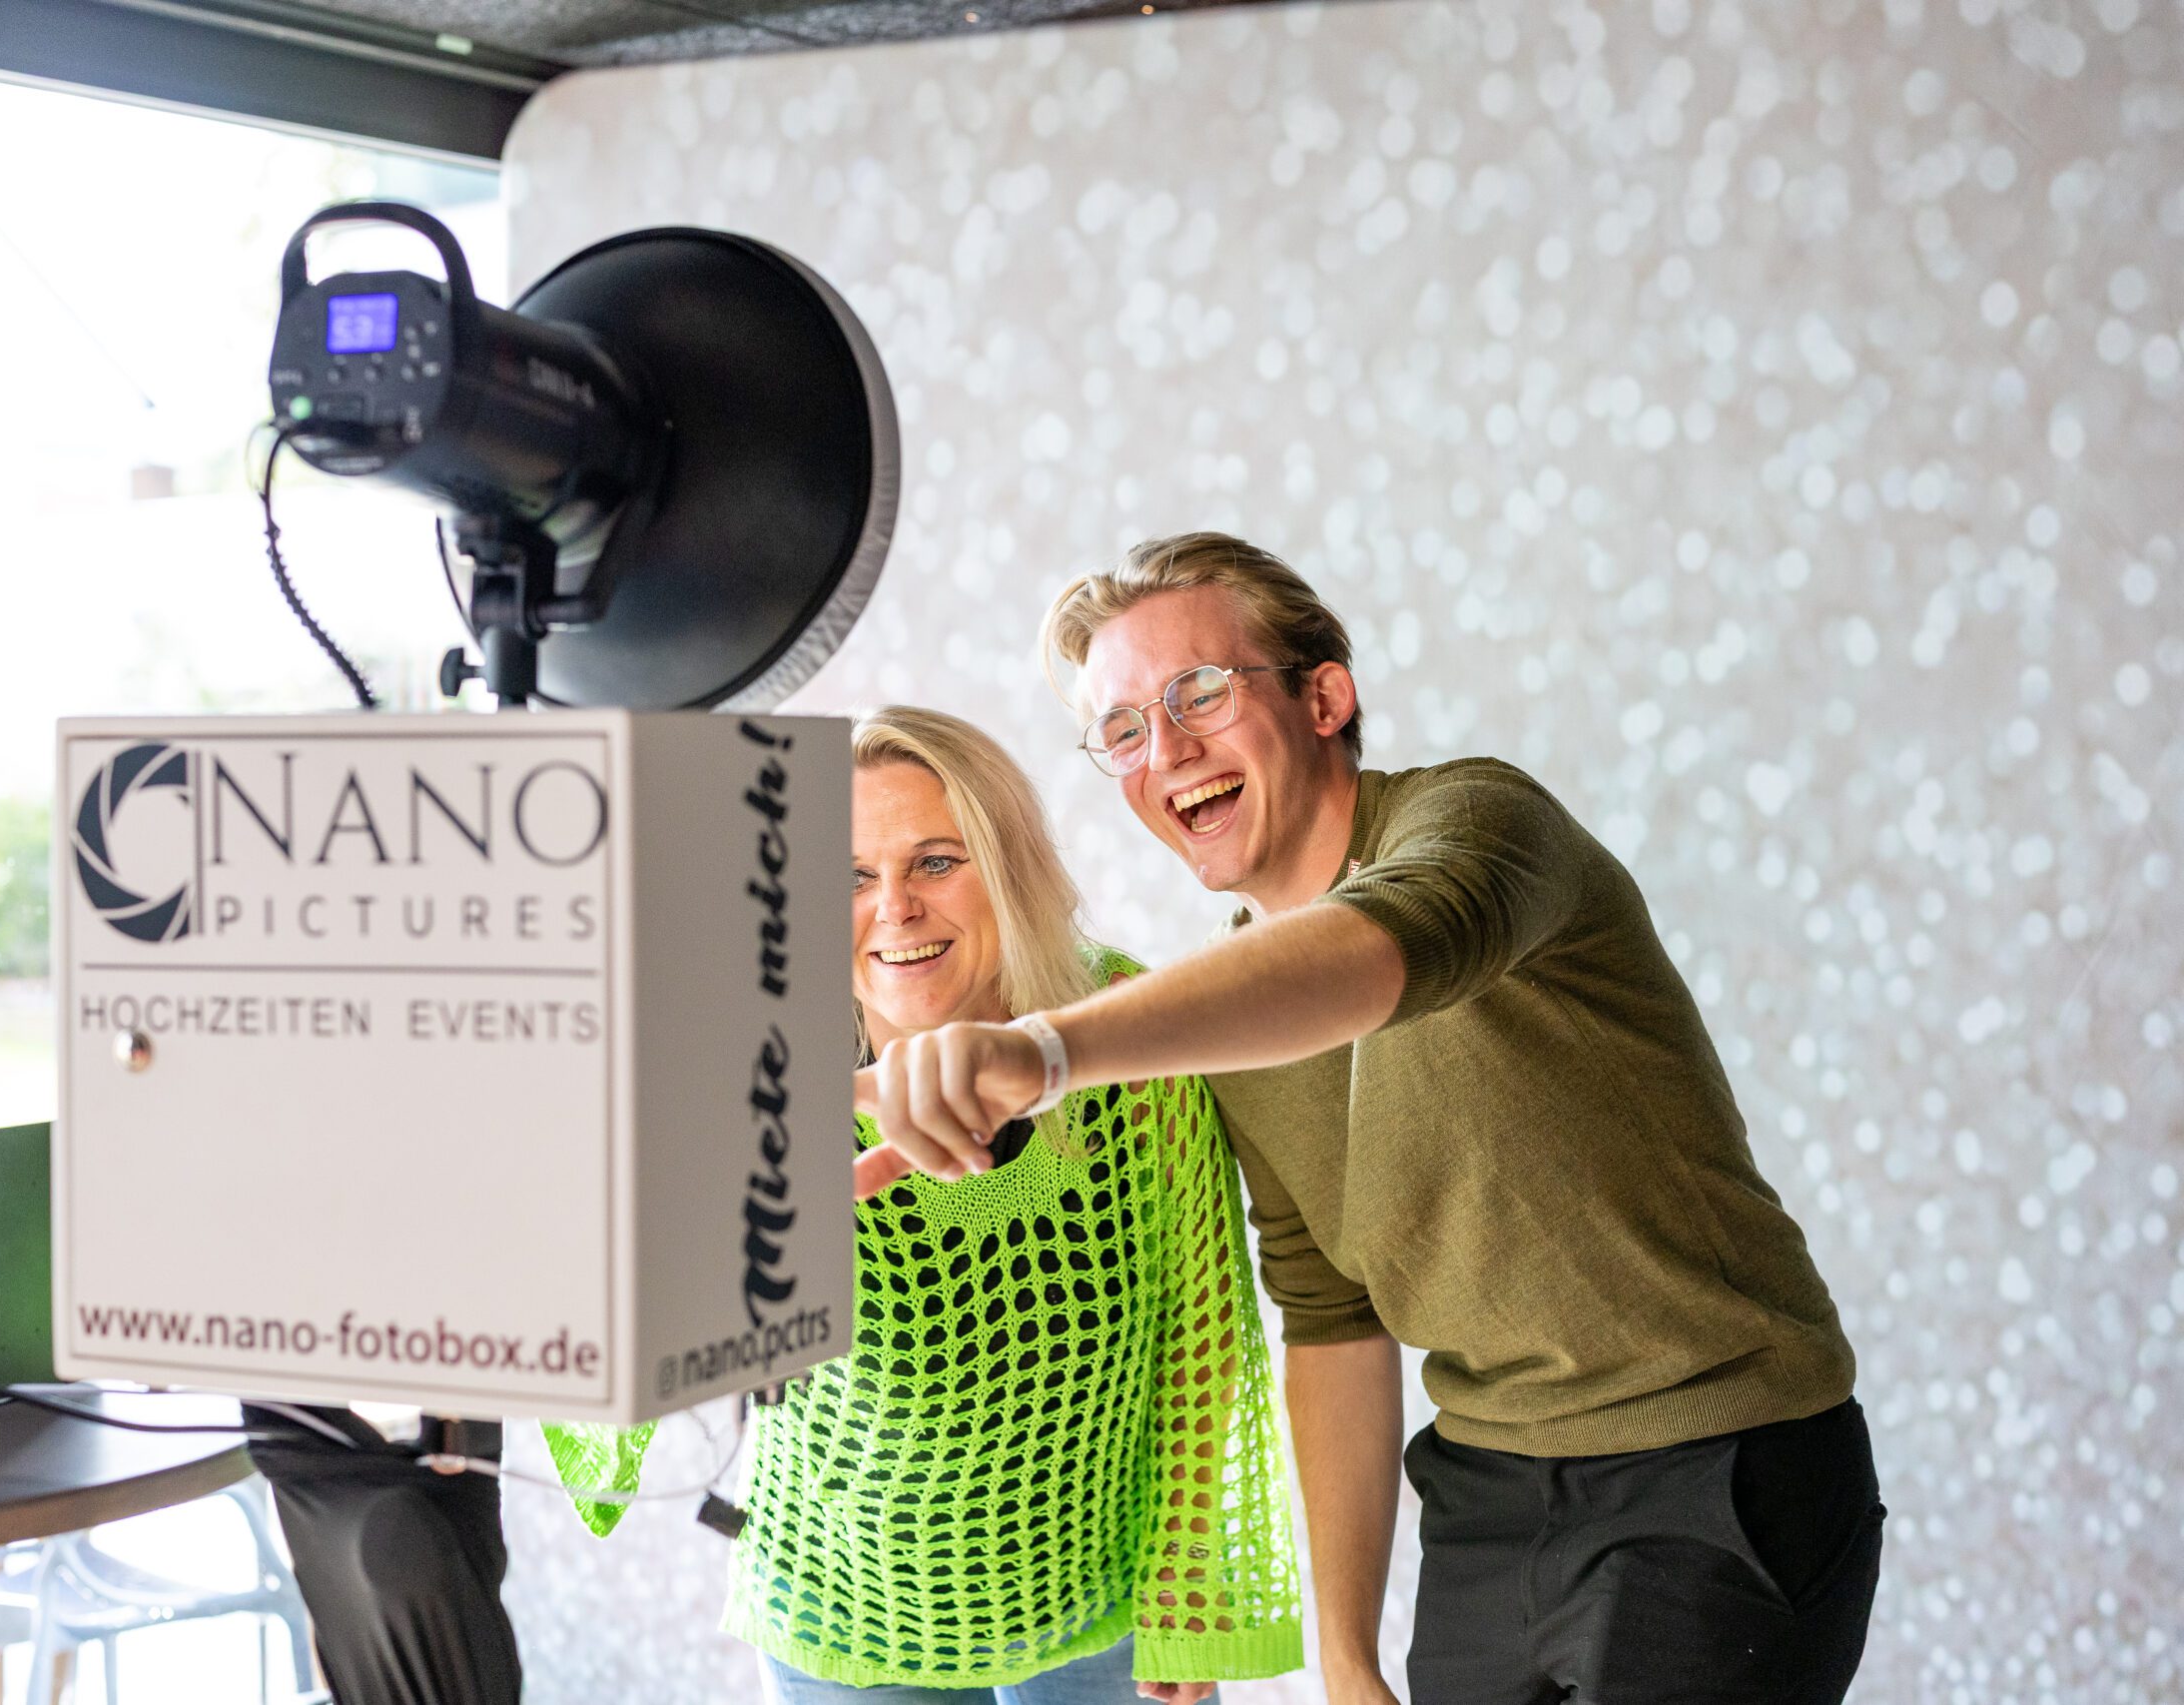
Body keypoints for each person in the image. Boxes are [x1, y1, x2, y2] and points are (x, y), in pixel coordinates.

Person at [857, 535, 1882, 1705]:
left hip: (1714, 1465)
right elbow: (1332, 1319)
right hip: (1488, 1493)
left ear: (1325, 698)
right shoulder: (1236, 1027)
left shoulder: (1480, 823)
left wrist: (1044, 1052)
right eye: (1124, 730)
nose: (1167, 750)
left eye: (1199, 693)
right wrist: (1343, 1654)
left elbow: (1384, 944)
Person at [559, 705, 1304, 1705]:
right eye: (851, 878)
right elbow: (612, 1345)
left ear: (1008, 869)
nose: (895, 908)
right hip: (838, 1608)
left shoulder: (1121, 1037)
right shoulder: (752, 1076)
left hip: (1098, 1603)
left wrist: (1186, 1588)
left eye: (936, 862)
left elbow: (1197, 1337)